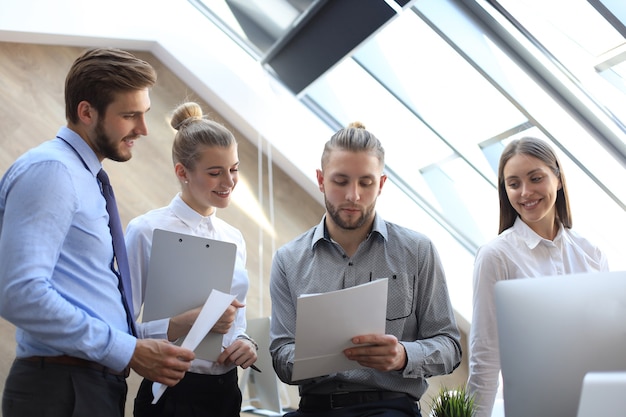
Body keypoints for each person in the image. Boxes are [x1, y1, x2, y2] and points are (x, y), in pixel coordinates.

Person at [0, 47, 195, 417]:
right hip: (61, 388)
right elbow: (19, 294)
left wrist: (151, 336)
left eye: (144, 114)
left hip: (86, 387)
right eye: (129, 115)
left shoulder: (84, 180)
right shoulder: (53, 172)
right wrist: (129, 350)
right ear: (86, 112)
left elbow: (86, 296)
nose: (143, 128)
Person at [269, 122, 462, 417]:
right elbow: (281, 355)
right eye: (341, 181)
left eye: (366, 183)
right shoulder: (288, 260)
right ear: (321, 180)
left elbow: (449, 346)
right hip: (315, 409)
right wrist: (315, 358)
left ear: (381, 184)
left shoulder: (417, 251)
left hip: (390, 407)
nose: (353, 195)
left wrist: (402, 356)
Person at [125, 101, 259, 417]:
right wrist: (184, 322)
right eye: (215, 173)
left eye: (234, 169)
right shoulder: (146, 231)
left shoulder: (234, 238)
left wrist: (244, 343)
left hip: (226, 392)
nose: (229, 183)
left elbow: (236, 323)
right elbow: (122, 331)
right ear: (182, 172)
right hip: (170, 391)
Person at [467, 136, 609, 417]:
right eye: (513, 183)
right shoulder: (496, 256)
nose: (525, 192)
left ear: (557, 179)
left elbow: (607, 344)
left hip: (594, 405)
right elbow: (485, 354)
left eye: (535, 178)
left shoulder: (590, 252)